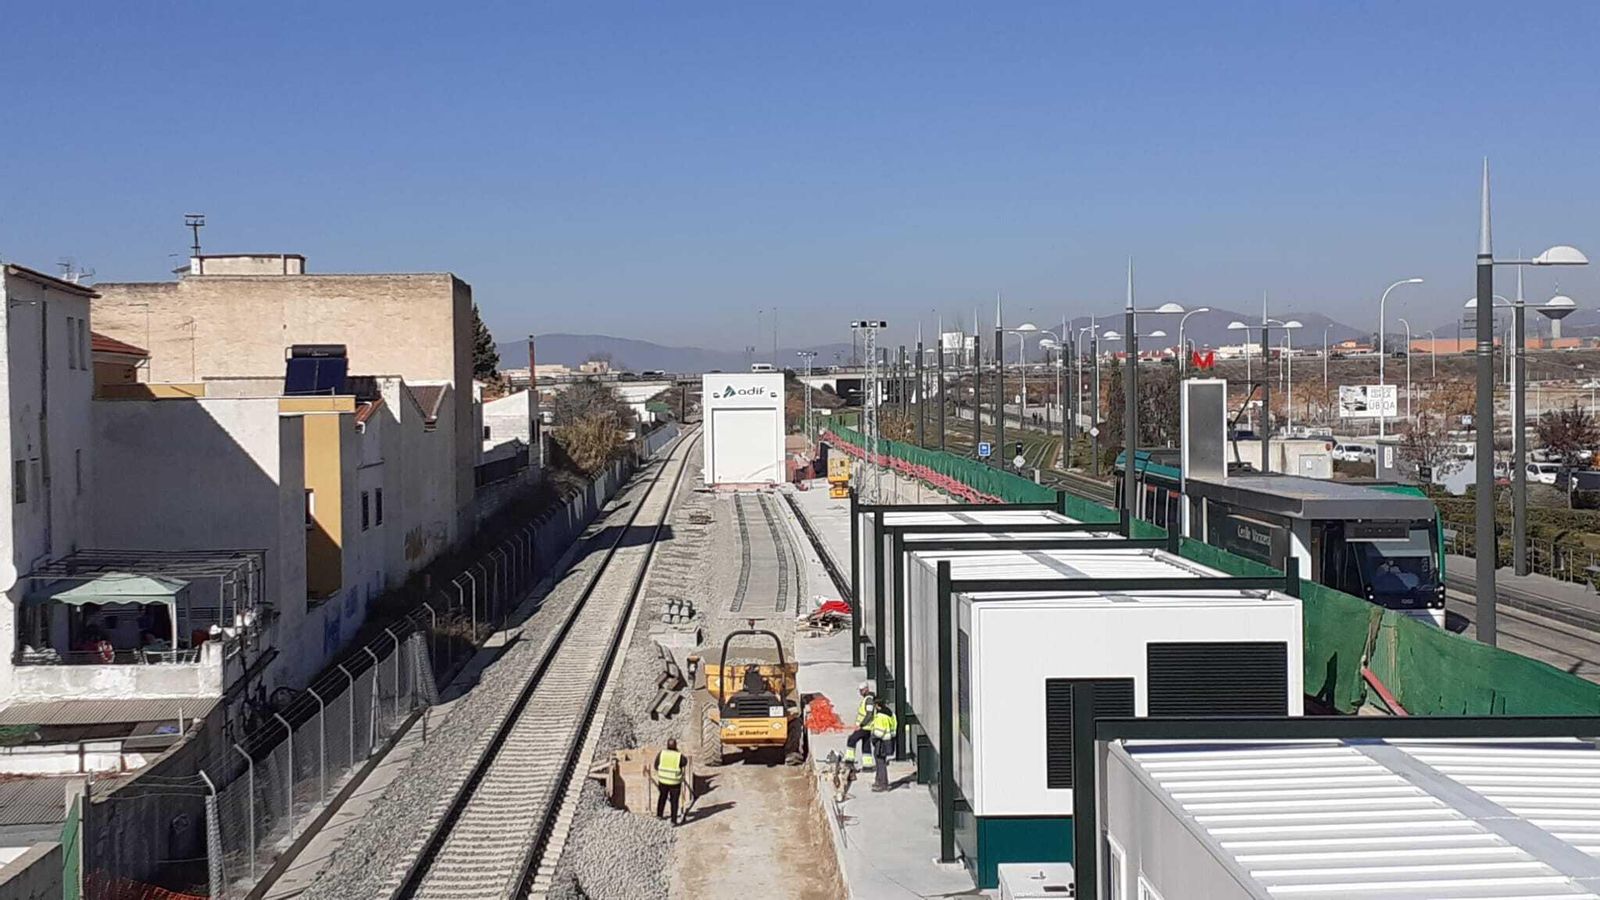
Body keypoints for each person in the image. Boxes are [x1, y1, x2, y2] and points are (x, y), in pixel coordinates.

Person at [652, 738, 688, 825]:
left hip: (663, 781)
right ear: (675, 746)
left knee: (662, 798)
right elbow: (685, 762)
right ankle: (673, 820)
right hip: (674, 782)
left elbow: (656, 766)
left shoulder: (662, 754)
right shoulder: (678, 756)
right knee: (674, 801)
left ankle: (659, 815)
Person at [844, 681, 876, 768]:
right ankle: (867, 765)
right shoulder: (868, 699)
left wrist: (861, 725)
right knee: (866, 745)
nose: (860, 692)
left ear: (866, 689)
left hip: (865, 727)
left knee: (851, 740)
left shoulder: (869, 700)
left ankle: (849, 761)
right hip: (867, 727)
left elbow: (869, 714)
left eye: (861, 690)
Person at [870, 701, 898, 792]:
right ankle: (878, 781)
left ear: (878, 706)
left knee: (880, 763)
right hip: (889, 740)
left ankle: (883, 784)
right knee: (881, 761)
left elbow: (879, 733)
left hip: (881, 742)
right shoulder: (890, 713)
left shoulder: (880, 716)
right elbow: (894, 727)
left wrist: (873, 737)